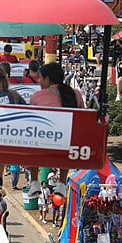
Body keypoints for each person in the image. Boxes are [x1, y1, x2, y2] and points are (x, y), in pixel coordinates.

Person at [27, 63, 84, 197]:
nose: (39, 81)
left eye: (41, 78)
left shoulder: (38, 96)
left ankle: (34, 181)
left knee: (31, 139)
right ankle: (62, 183)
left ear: (47, 79)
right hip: (67, 146)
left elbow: (31, 119)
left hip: (43, 143)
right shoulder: (75, 94)